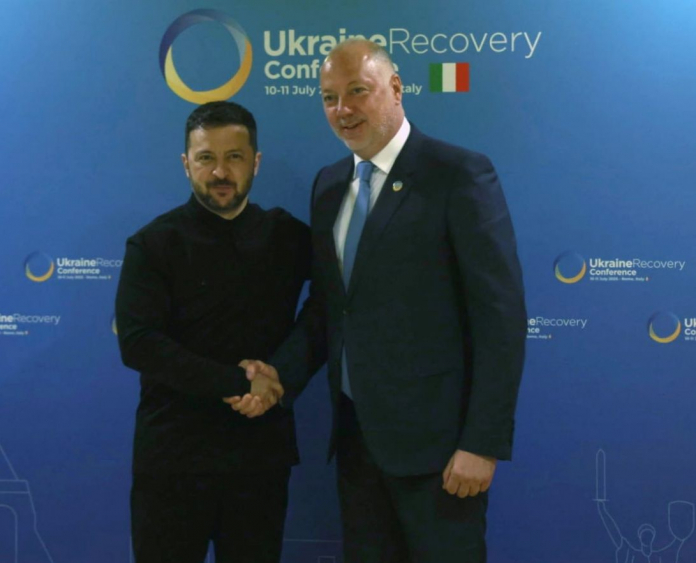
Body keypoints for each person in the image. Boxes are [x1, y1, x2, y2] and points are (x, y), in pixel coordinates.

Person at [228, 39, 527, 562]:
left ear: (395, 88)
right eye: (329, 98)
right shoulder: (329, 185)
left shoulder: (457, 174)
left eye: (357, 92)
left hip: (440, 453)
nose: (342, 109)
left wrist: (481, 443)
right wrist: (279, 374)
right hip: (357, 445)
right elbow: (330, 307)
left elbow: (499, 318)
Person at [115, 101, 310, 563]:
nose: (220, 172)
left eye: (234, 157)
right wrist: (240, 382)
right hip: (173, 459)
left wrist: (282, 375)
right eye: (206, 158)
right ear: (186, 164)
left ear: (255, 162)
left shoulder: (289, 236)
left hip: (260, 459)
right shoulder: (153, 243)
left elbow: (330, 310)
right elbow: (138, 343)